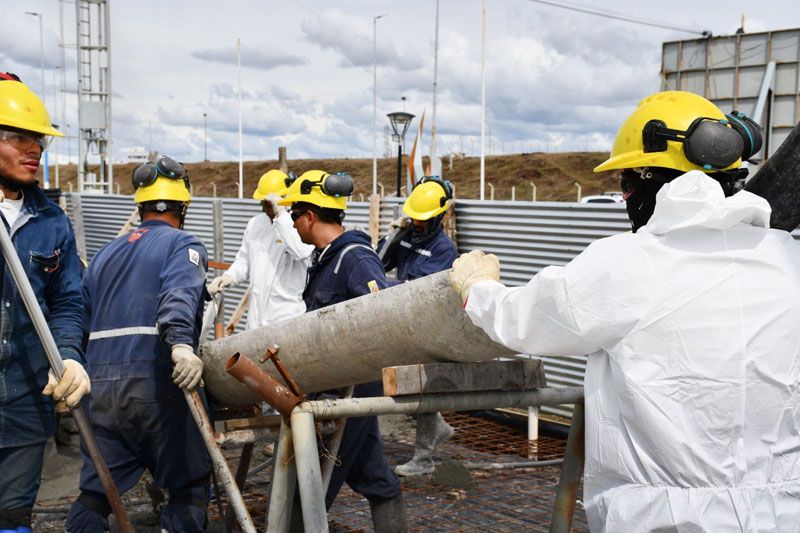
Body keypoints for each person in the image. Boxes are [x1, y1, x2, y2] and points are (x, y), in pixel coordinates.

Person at [450, 90, 800, 531]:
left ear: (651, 178)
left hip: (668, 521)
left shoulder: (631, 264)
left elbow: (525, 321)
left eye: (627, 183)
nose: (625, 198)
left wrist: (477, 287)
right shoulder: (789, 261)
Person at [65, 156, 212, 532]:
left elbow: (78, 320)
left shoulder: (103, 255)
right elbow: (178, 295)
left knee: (98, 491)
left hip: (100, 389)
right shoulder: (184, 244)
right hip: (155, 379)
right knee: (188, 484)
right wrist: (181, 344)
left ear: (140, 206)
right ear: (183, 207)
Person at [278, 170, 408, 532]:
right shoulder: (326, 258)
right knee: (375, 477)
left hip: (348, 391)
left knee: (313, 484)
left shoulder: (355, 257)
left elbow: (379, 316)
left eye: (294, 216)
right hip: (340, 385)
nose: (293, 224)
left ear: (310, 216)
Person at [0, 73, 87, 533]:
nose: (35, 149)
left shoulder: (53, 222)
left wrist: (71, 357)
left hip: (24, 402)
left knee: (13, 517)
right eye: (19, 137)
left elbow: (69, 301)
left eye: (40, 140)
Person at [378, 176, 458, 477]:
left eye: (423, 220)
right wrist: (391, 239)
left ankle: (423, 459)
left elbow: (417, 288)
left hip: (427, 325)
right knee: (397, 384)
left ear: (439, 216)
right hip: (402, 321)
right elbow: (378, 263)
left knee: (420, 389)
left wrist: (384, 286)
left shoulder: (444, 251)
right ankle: (436, 426)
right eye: (414, 217)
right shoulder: (408, 235)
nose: (417, 223)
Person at [208, 169, 313, 328]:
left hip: (286, 317)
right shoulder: (256, 224)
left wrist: (281, 216)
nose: (264, 209)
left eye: (268, 204)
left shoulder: (296, 225)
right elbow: (244, 261)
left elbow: (301, 251)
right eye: (262, 204)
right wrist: (229, 277)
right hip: (256, 318)